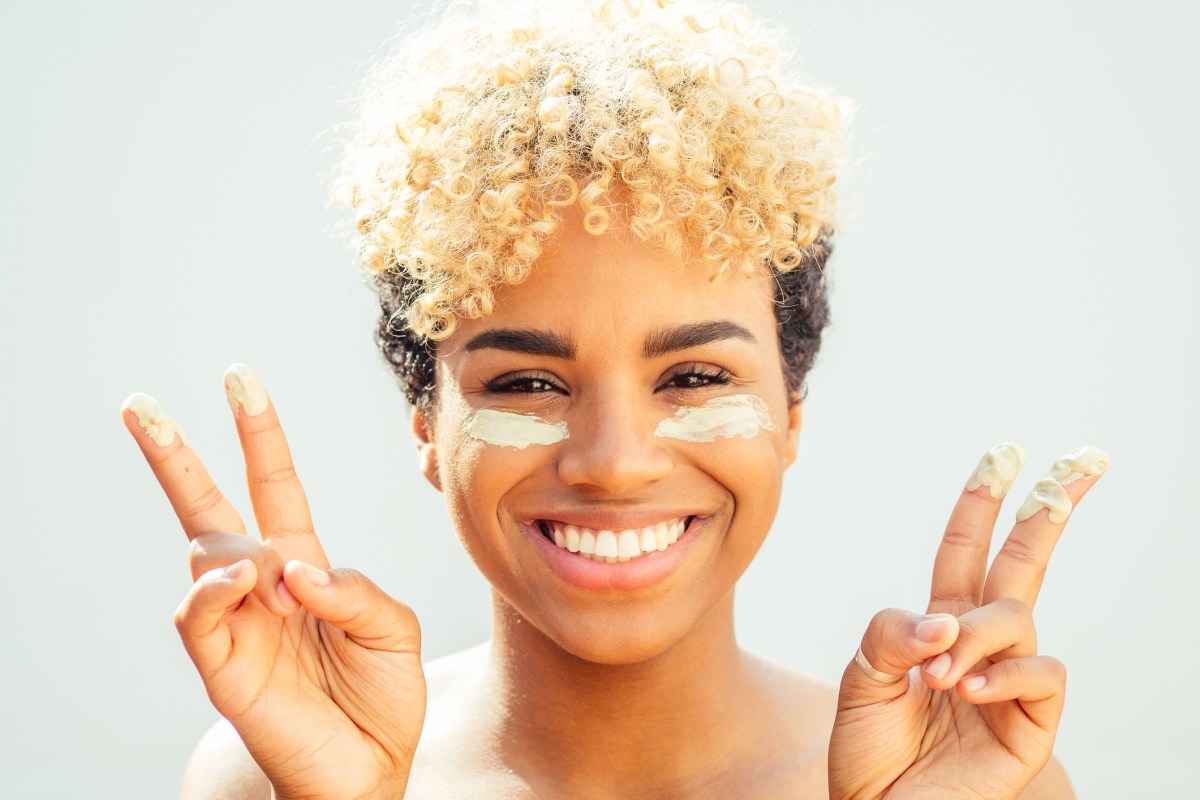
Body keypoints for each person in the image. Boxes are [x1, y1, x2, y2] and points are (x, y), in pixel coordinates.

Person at [120, 1, 1103, 796]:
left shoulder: (966, 779)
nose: (616, 458)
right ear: (428, 424)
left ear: (791, 410)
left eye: (693, 376)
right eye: (528, 382)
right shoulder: (275, 770)